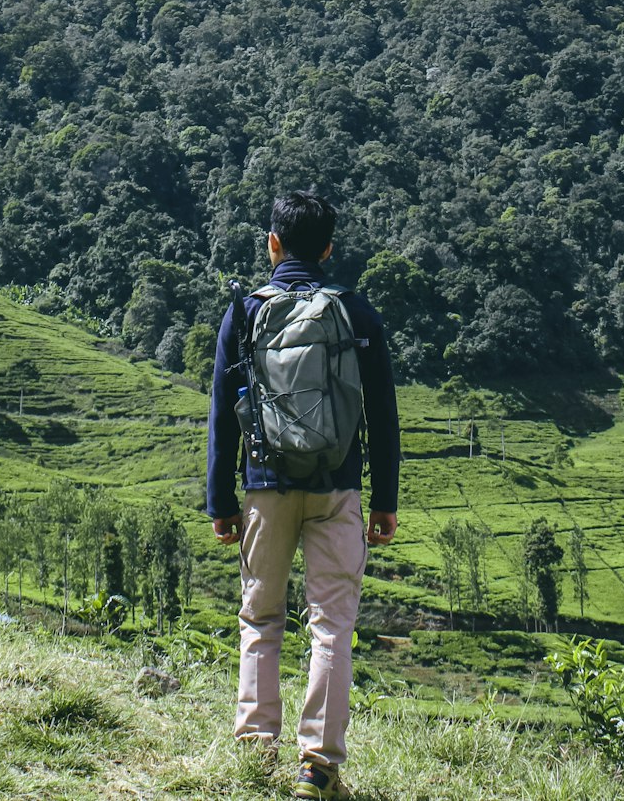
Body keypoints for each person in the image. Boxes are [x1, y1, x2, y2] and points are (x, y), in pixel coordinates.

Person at [207, 191, 400, 801]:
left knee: (260, 618)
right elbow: (383, 415)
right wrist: (385, 498)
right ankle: (316, 767)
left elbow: (220, 413)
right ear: (329, 248)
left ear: (272, 244)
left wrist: (221, 501)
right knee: (331, 627)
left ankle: (255, 748)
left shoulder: (243, 311)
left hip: (265, 488)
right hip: (337, 488)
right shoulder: (354, 312)